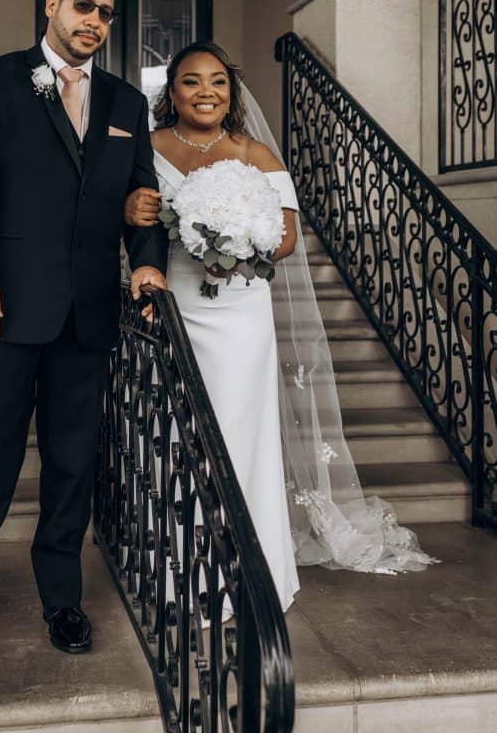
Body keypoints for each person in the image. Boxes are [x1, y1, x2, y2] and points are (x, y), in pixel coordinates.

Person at [0, 0, 167, 666]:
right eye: (83, 6)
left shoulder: (123, 102)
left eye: (106, 14)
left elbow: (140, 194)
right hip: (2, 310)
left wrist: (146, 257)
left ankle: (63, 601)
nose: (95, 21)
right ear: (52, 5)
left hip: (87, 313)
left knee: (72, 465)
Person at [125, 41, 436, 612]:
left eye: (217, 81)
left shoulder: (256, 152)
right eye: (191, 82)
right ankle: (174, 564)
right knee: (175, 430)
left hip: (240, 313)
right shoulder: (147, 149)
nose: (205, 92)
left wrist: (240, 242)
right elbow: (126, 213)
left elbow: (287, 238)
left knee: (241, 431)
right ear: (170, 93)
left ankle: (246, 566)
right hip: (176, 306)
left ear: (231, 91)